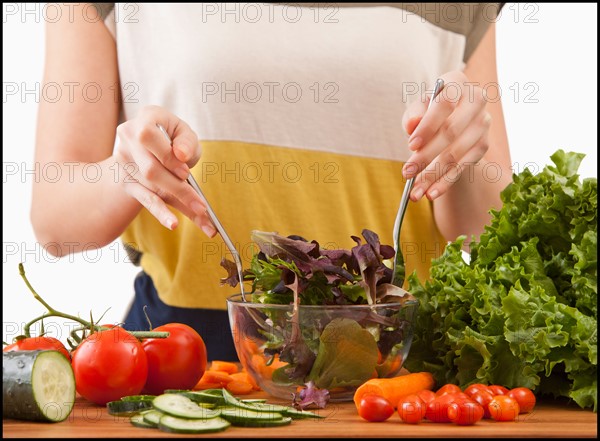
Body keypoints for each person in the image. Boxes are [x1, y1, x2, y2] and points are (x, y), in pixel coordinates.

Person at [31, 3, 512, 361]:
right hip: (186, 357)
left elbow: (483, 227)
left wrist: (467, 140)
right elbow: (56, 220)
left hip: (399, 365)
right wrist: (127, 169)